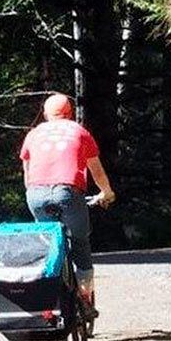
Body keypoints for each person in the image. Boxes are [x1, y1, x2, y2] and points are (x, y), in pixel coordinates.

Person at [19, 93, 115, 311]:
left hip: (36, 193)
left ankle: (46, 295)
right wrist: (107, 192)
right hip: (68, 192)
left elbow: (26, 171)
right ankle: (85, 297)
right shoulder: (79, 131)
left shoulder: (34, 134)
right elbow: (96, 170)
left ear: (45, 115)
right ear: (70, 114)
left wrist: (35, 193)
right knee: (80, 243)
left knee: (47, 244)